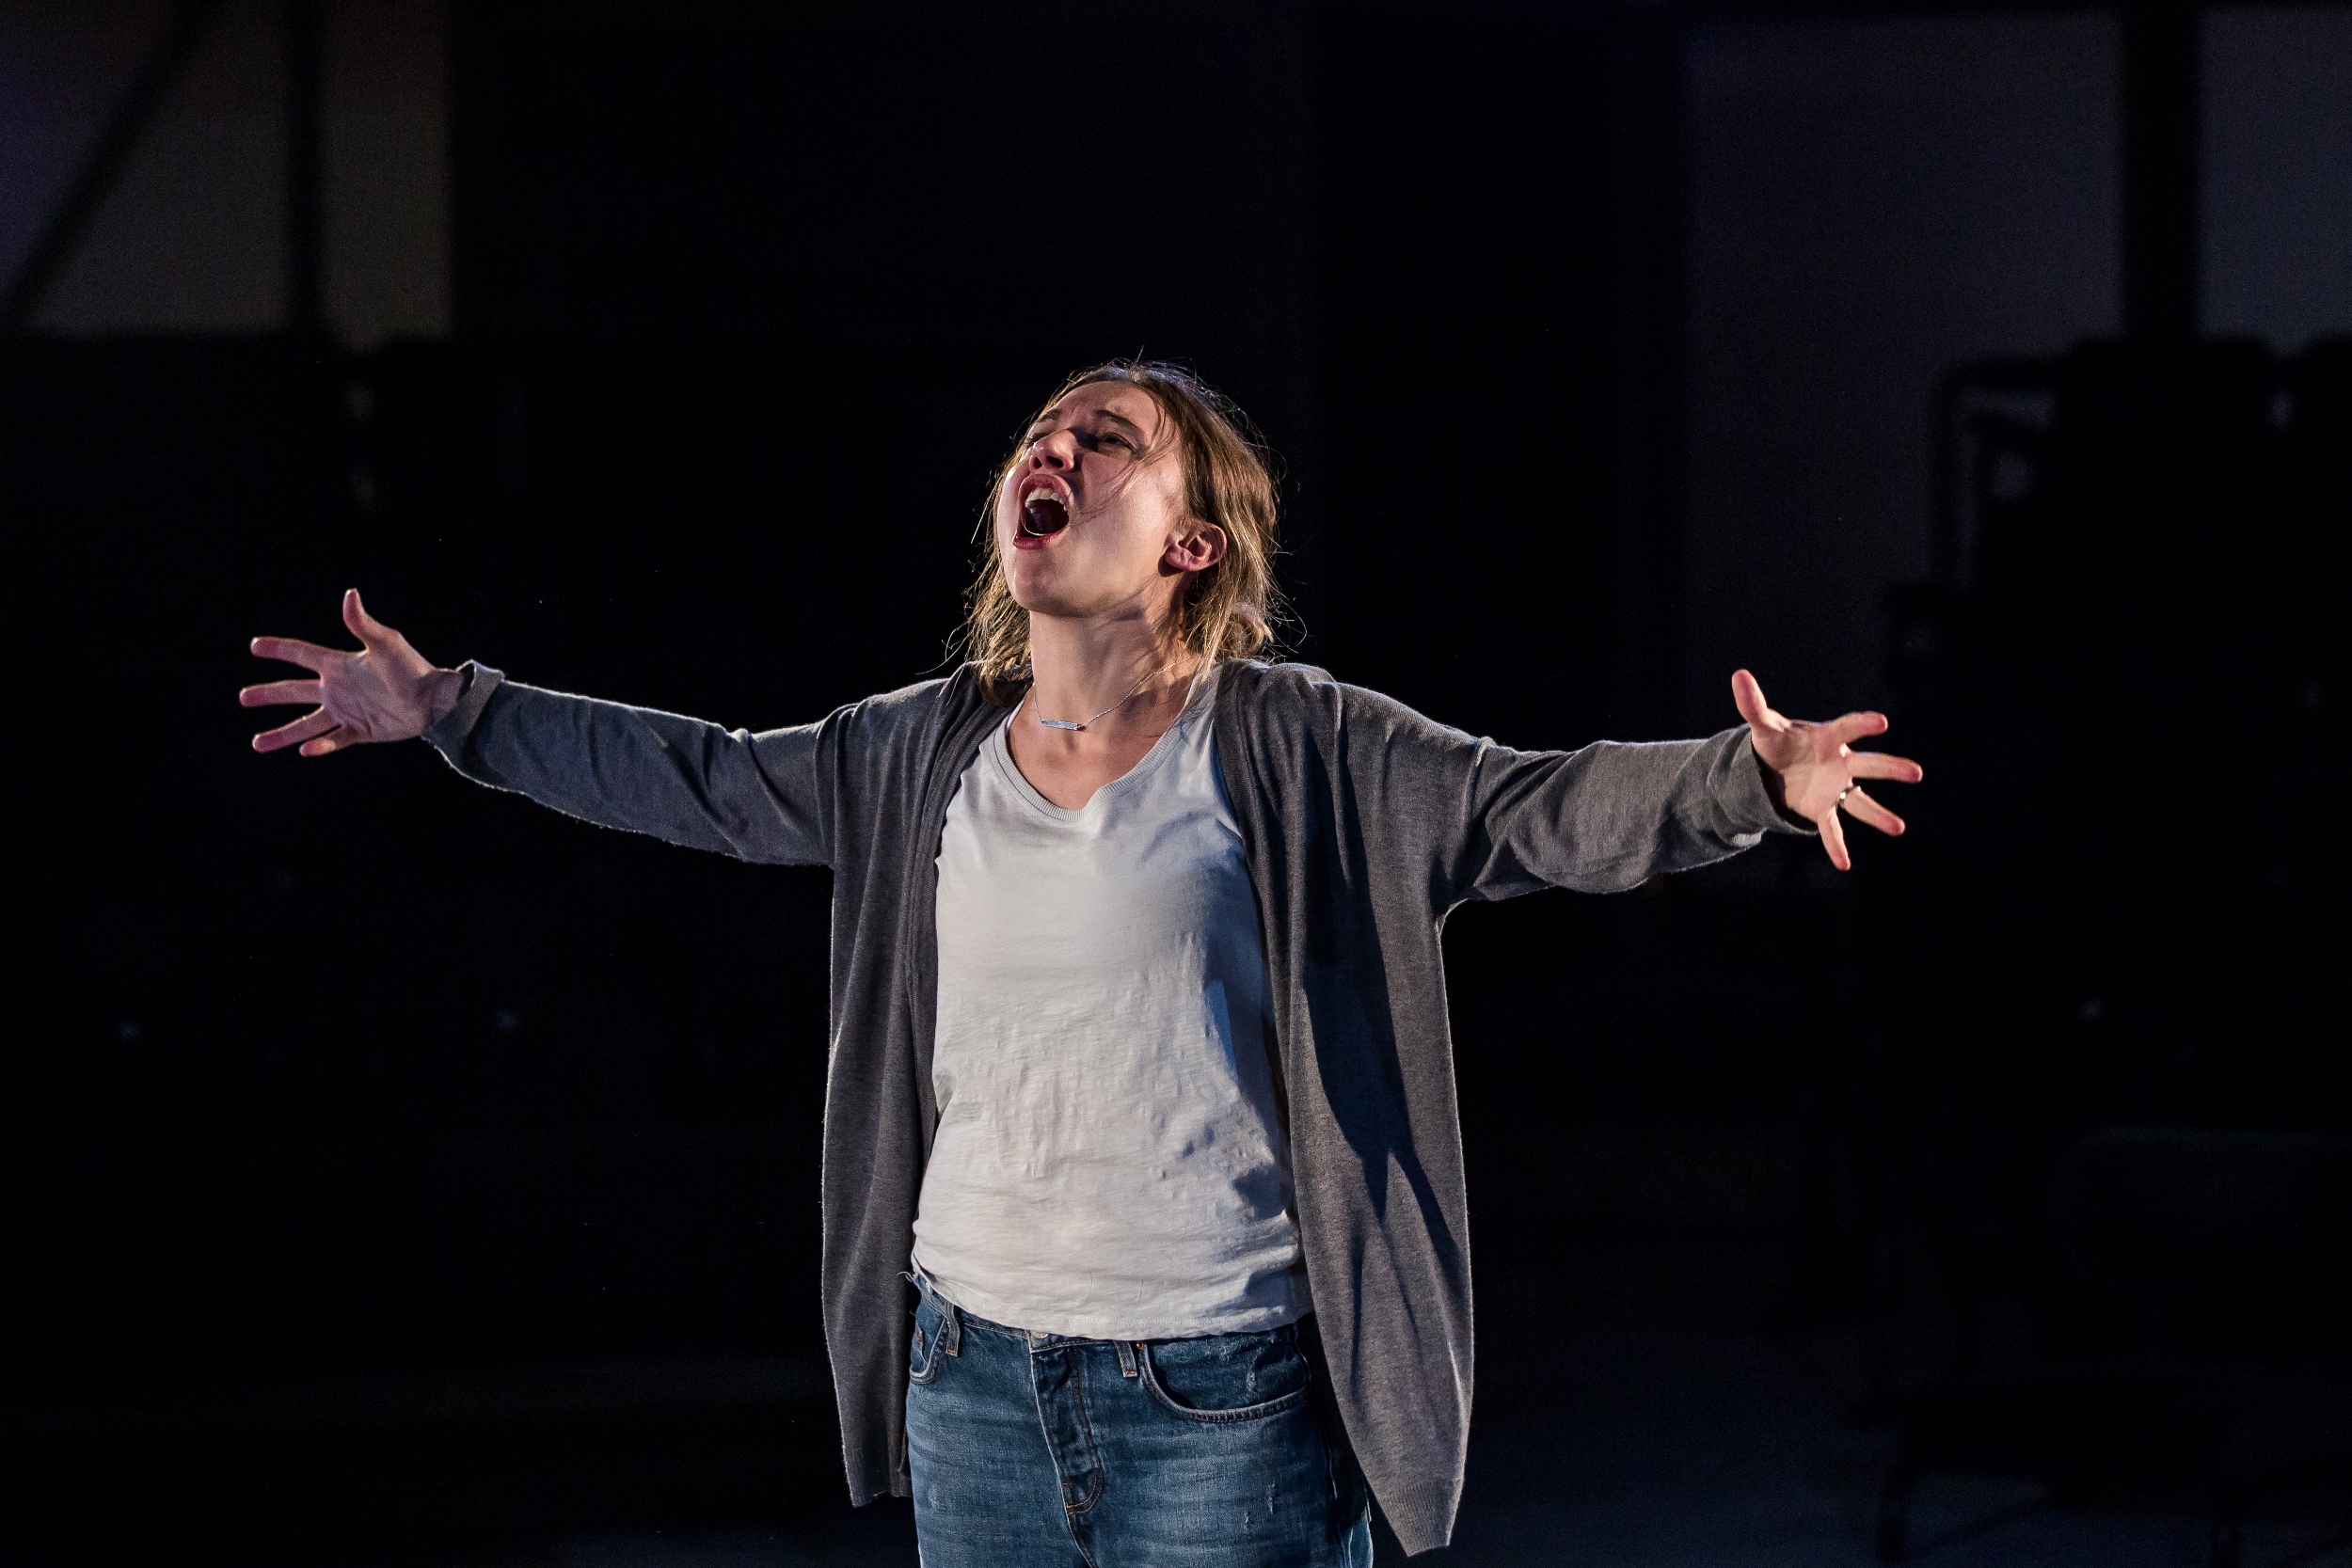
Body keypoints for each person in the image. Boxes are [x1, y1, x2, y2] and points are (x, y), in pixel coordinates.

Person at [243, 359, 1919, 1566]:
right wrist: (458, 710)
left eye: (1108, 440)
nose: (1053, 446)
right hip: (971, 1375)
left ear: (1192, 545)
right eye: (1042, 435)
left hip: (1227, 1391)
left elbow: (1530, 807)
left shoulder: (1301, 746)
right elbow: (695, 776)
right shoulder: (921, 754)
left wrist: (1743, 783)